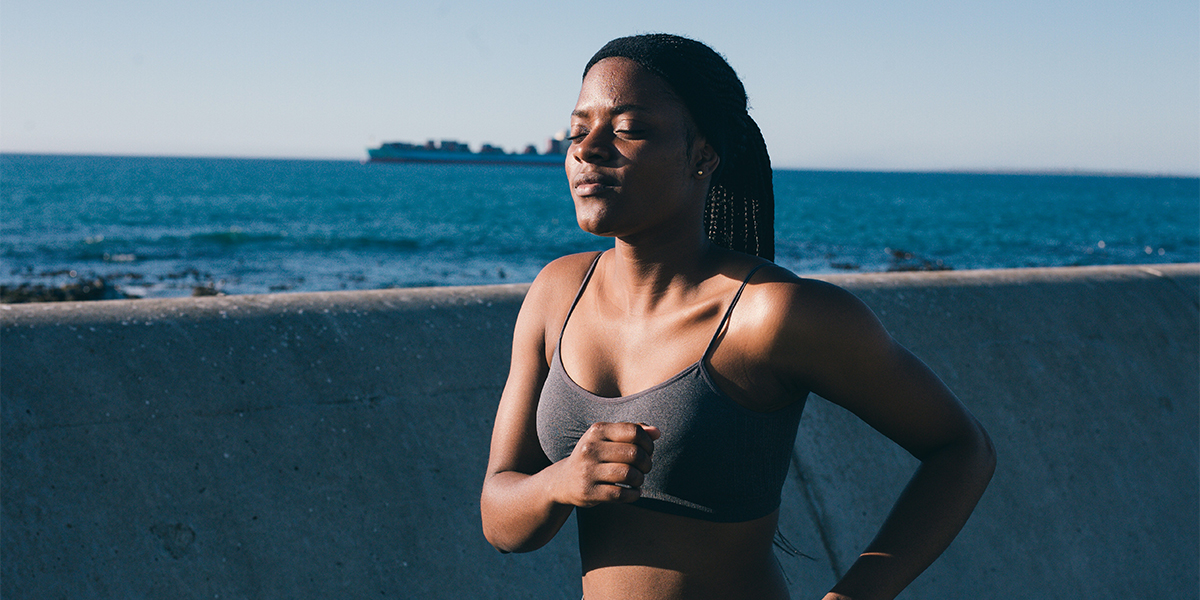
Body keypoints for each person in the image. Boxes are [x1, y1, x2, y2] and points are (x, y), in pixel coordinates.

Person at [480, 33, 995, 600]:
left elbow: (962, 449)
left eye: (628, 129)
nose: (588, 149)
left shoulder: (773, 315)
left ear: (702, 155)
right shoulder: (556, 294)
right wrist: (563, 481)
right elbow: (501, 522)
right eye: (579, 130)